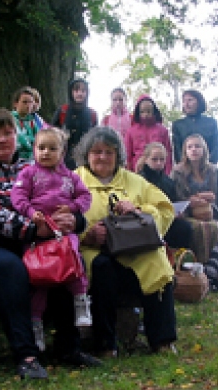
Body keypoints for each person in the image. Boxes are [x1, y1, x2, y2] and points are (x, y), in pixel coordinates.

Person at [0, 109, 100, 378]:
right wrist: (34, 229)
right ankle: (26, 354)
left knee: (63, 260)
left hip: (26, 241)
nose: (2, 140)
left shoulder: (29, 167)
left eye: (8, 133)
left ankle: (69, 346)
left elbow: (63, 199)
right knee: (12, 268)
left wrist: (74, 221)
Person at [75, 126, 178, 356]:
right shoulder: (73, 180)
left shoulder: (135, 181)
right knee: (102, 268)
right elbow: (59, 218)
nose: (102, 157)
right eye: (97, 151)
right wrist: (86, 235)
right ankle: (105, 344)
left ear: (118, 155)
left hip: (135, 248)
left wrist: (139, 211)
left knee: (158, 264)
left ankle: (162, 340)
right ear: (86, 155)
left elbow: (166, 210)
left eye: (109, 152)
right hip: (94, 250)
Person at [10, 127, 93, 346]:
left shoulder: (71, 177)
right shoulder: (28, 173)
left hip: (63, 232)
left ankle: (81, 300)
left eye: (52, 148)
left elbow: (86, 197)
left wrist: (72, 208)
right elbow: (17, 196)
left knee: (74, 260)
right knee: (38, 279)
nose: (46, 152)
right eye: (41, 148)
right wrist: (30, 212)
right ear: (34, 149)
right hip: (37, 234)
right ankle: (36, 326)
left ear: (62, 151)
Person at [134, 142, 194, 252]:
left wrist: (178, 212)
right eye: (154, 159)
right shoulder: (139, 180)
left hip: (169, 218)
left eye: (162, 160)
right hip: (147, 220)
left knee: (185, 227)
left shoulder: (168, 181)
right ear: (146, 159)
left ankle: (179, 260)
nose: (158, 163)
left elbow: (174, 201)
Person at [171, 133, 218, 228]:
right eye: (189, 147)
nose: (194, 149)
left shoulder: (214, 171)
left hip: (211, 213)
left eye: (197, 146)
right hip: (187, 215)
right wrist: (191, 201)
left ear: (204, 149)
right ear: (185, 151)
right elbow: (175, 198)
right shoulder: (177, 172)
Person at [53, 78, 98, 168]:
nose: (80, 93)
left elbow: (95, 138)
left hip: (84, 160)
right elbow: (52, 134)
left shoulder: (92, 114)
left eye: (83, 90)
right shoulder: (63, 111)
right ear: (71, 92)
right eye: (76, 90)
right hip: (62, 159)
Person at [171, 89, 218, 165]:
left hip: (208, 168)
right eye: (184, 101)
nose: (186, 104)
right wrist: (184, 166)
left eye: (190, 100)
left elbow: (216, 146)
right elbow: (177, 150)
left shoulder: (211, 123)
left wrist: (208, 164)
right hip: (185, 170)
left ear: (199, 102)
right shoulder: (178, 125)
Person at [124, 94, 172, 174]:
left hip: (158, 171)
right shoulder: (131, 131)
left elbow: (168, 154)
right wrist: (129, 173)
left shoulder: (163, 130)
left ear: (154, 112)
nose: (145, 114)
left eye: (149, 111)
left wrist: (167, 173)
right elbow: (127, 155)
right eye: (142, 112)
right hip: (137, 172)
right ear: (138, 112)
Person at [11, 87, 45, 163]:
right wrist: (33, 141)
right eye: (25, 102)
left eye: (31, 102)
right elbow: (19, 142)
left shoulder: (33, 121)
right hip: (15, 161)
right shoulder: (9, 119)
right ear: (15, 103)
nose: (28, 105)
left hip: (34, 160)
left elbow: (42, 139)